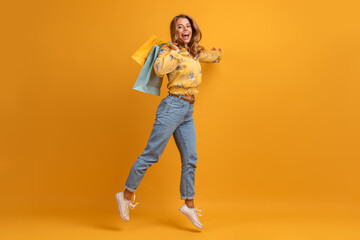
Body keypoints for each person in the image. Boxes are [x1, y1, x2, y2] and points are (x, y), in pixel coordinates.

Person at [116, 14, 222, 229]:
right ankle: (126, 195)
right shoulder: (167, 50)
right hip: (172, 107)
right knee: (151, 154)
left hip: (187, 110)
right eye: (180, 26)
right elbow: (159, 70)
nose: (185, 29)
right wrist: (173, 53)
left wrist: (218, 55)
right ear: (174, 32)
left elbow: (210, 57)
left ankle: (188, 205)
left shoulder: (193, 52)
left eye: (188, 26)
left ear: (192, 30)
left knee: (191, 158)